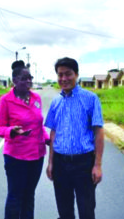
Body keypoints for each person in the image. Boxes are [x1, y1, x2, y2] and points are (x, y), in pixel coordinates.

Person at [45, 57, 104, 219]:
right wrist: (51, 163)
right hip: (60, 163)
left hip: (83, 164)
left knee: (86, 210)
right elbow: (53, 133)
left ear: (76, 74)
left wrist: (97, 165)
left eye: (68, 74)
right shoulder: (56, 101)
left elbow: (98, 131)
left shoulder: (90, 99)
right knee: (64, 211)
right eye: (60, 75)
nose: (63, 79)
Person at [0, 60, 49, 219]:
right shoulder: (6, 100)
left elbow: (39, 126)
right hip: (16, 157)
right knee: (15, 196)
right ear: (15, 80)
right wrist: (12, 131)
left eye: (30, 78)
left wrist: (48, 140)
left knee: (29, 195)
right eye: (24, 78)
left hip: (37, 156)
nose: (29, 81)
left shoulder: (36, 98)